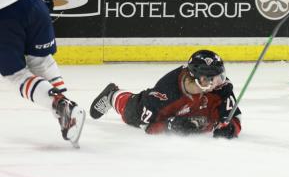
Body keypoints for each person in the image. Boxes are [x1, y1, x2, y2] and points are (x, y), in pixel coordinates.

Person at [0, 0, 85, 146]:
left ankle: (60, 105)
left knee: (16, 74)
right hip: (32, 3)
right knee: (42, 62)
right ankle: (67, 111)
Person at [90, 50, 242, 138]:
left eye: (221, 76)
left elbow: (234, 117)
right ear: (198, 79)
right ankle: (112, 95)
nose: (220, 82)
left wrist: (230, 127)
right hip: (158, 108)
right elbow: (147, 126)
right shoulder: (164, 95)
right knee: (131, 109)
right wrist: (171, 126)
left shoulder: (220, 87)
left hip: (194, 107)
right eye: (213, 79)